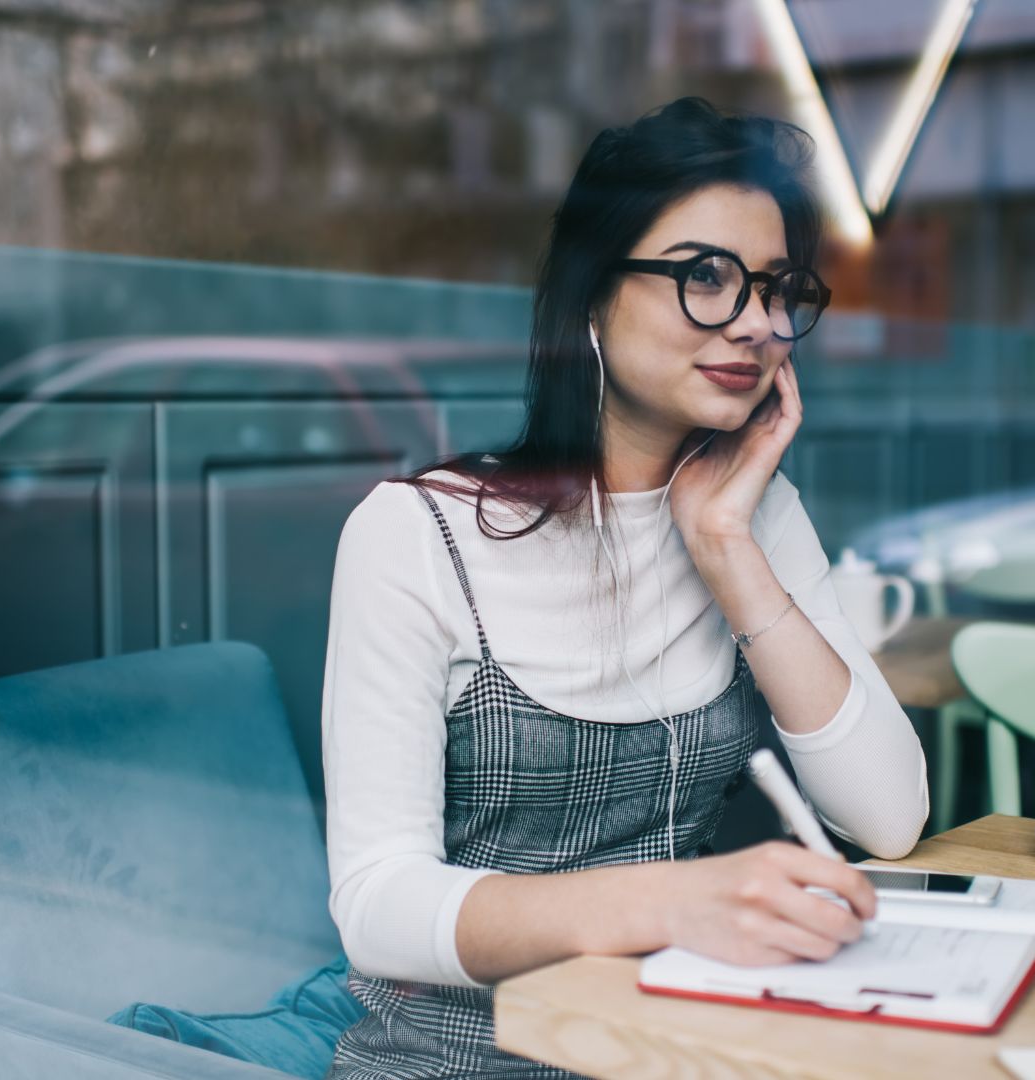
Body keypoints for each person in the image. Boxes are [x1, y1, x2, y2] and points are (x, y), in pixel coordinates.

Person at [318, 96, 930, 1078]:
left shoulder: (755, 513)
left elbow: (891, 816)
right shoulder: (416, 534)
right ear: (595, 293)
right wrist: (674, 901)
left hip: (670, 1053)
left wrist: (727, 545)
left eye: (776, 290)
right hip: (456, 1062)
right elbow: (377, 907)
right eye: (706, 279)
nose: (756, 325)